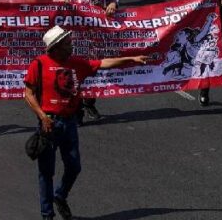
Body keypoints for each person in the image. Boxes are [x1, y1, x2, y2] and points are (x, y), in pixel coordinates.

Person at [24, 26, 146, 220]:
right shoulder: (39, 64)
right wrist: (42, 116)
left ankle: (60, 195)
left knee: (74, 167)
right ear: (55, 47)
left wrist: (130, 59)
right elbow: (28, 93)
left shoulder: (77, 63)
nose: (71, 45)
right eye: (67, 43)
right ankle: (47, 214)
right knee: (46, 172)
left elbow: (103, 63)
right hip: (49, 125)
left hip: (70, 123)